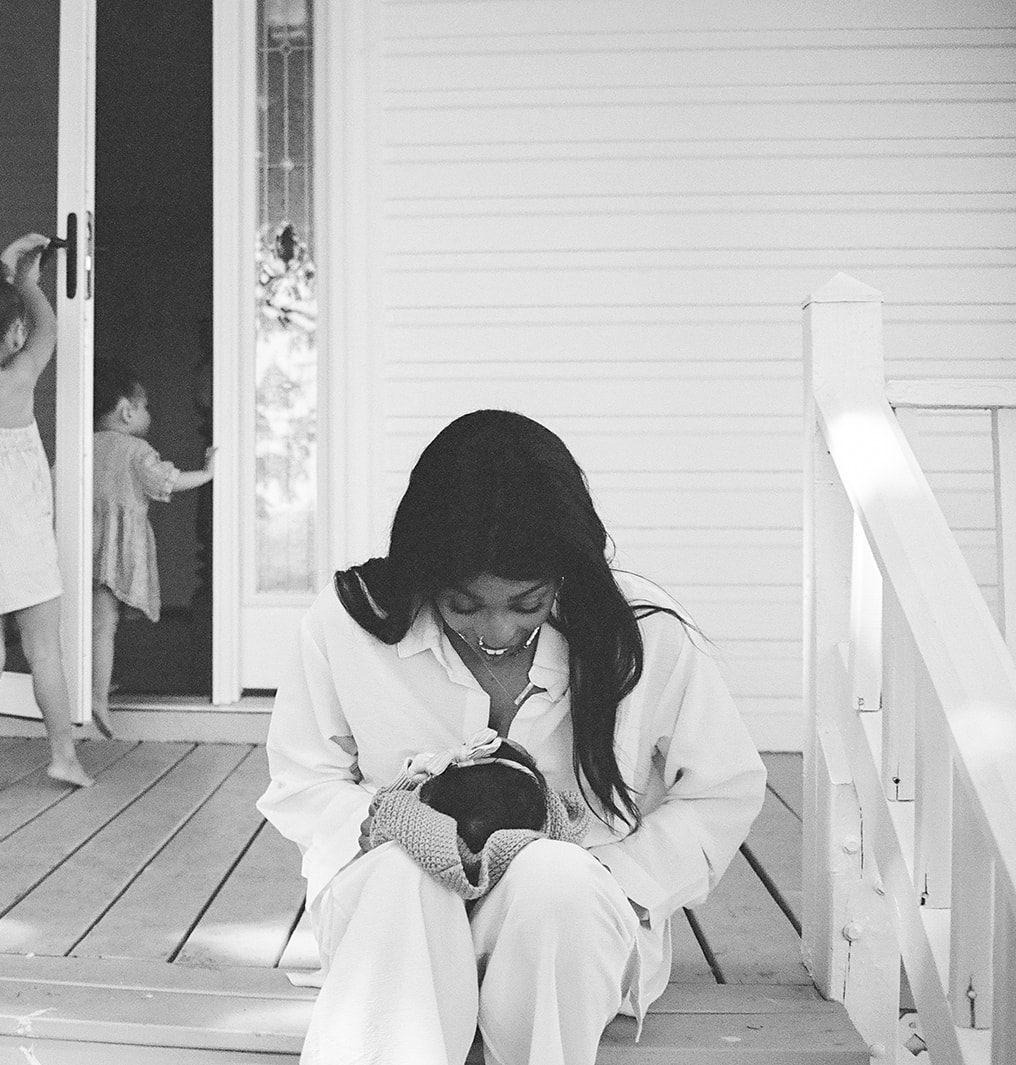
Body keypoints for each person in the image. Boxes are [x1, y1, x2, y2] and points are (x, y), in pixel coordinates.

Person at [257, 409, 766, 1065]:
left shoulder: (640, 631)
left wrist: (620, 877)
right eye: (463, 605)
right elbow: (303, 777)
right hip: (394, 923)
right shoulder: (348, 622)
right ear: (422, 573)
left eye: (527, 604)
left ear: (566, 574)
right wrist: (397, 827)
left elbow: (722, 788)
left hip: (568, 928)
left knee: (557, 878)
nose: (496, 632)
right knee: (404, 871)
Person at [0, 233, 94, 800]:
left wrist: (3, 274)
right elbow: (49, 328)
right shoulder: (16, 380)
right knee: (44, 651)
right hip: (19, 542)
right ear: (11, 333)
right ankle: (63, 757)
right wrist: (26, 282)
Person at [89, 358, 216, 737]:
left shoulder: (84, 446)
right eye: (145, 406)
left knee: (84, 622)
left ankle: (89, 683)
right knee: (104, 626)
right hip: (114, 553)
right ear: (127, 411)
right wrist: (207, 473)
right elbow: (166, 481)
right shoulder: (135, 450)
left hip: (84, 546)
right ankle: (97, 696)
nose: (149, 414)